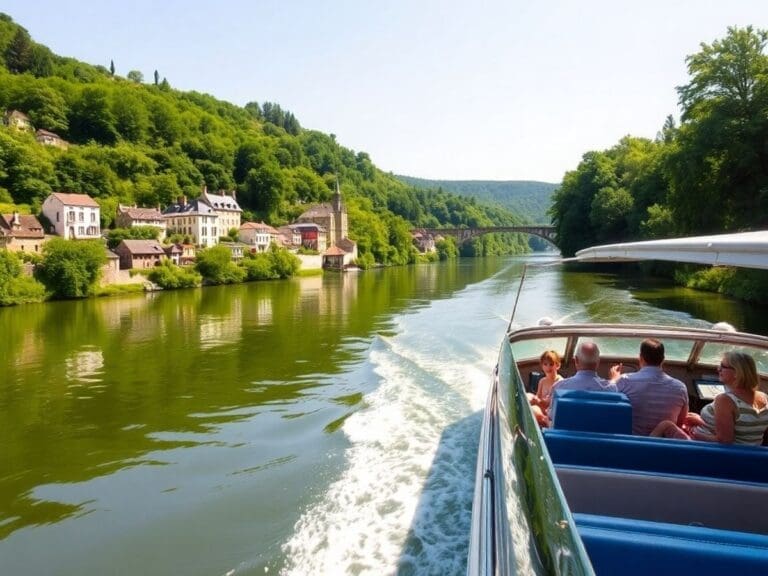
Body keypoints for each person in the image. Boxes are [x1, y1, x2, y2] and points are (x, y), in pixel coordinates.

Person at [652, 351, 768, 445]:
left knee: (666, 425)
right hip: (750, 455)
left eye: (723, 366)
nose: (718, 369)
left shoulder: (725, 400)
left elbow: (725, 441)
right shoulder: (764, 397)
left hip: (715, 454)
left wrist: (694, 432)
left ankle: (642, 460)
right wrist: (701, 421)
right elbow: (744, 429)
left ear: (737, 373)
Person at [608, 338, 688, 436]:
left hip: (633, 444)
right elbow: (679, 425)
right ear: (663, 359)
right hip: (665, 447)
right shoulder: (680, 388)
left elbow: (608, 405)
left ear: (640, 358)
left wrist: (614, 379)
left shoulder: (624, 381)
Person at [551, 341, 617, 393]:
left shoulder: (559, 387)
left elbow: (552, 410)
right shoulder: (611, 389)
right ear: (598, 362)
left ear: (576, 360)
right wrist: (614, 380)